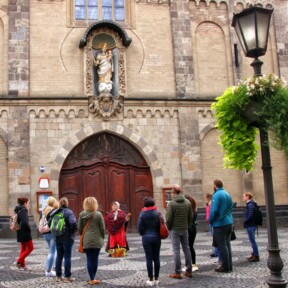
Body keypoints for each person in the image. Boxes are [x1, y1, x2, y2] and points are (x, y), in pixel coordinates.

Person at [166, 184, 193, 279]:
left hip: (175, 229)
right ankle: (189, 271)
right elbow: (190, 217)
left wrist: (169, 227)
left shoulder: (172, 204)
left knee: (176, 250)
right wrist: (187, 225)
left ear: (173, 192)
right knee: (187, 249)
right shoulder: (187, 202)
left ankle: (177, 272)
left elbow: (168, 219)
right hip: (184, 229)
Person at [49, 197, 77, 282]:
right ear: (67, 203)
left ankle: (58, 276)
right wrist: (72, 231)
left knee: (59, 256)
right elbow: (73, 223)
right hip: (67, 237)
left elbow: (49, 223)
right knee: (67, 257)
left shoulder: (55, 212)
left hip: (57, 237)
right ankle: (67, 276)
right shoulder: (69, 212)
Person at [78, 197, 105, 285]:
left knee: (89, 259)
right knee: (95, 258)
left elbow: (80, 228)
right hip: (97, 239)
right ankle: (94, 278)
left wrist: (84, 235)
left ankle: (92, 278)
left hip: (87, 240)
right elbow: (102, 228)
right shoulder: (98, 214)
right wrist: (102, 237)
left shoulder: (82, 214)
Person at [209, 179, 234, 273]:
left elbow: (214, 210)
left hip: (220, 223)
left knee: (222, 245)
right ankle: (229, 265)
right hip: (229, 221)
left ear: (215, 186)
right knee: (227, 244)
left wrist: (210, 219)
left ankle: (225, 266)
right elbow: (230, 206)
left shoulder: (216, 195)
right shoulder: (227, 194)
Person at [137, 197, 161, 286]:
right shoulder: (157, 213)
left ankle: (150, 279)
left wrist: (143, 233)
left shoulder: (142, 213)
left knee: (149, 258)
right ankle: (157, 278)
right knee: (156, 257)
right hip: (156, 237)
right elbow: (161, 224)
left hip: (146, 238)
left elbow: (139, 227)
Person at [13, 197, 34, 270]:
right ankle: (19, 261)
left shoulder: (18, 209)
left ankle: (23, 265)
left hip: (20, 231)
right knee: (31, 248)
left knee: (23, 248)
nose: (28, 204)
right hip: (25, 232)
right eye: (28, 203)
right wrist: (28, 229)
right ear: (25, 203)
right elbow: (25, 222)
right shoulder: (24, 210)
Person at [41, 196, 59, 277]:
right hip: (52, 233)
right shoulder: (54, 211)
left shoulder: (44, 210)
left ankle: (51, 267)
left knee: (52, 251)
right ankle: (49, 271)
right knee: (53, 252)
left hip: (45, 233)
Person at [243, 192, 260, 262]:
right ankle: (254, 254)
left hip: (251, 225)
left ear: (247, 197)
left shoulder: (250, 205)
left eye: (244, 196)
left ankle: (256, 255)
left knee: (252, 241)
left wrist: (245, 221)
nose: (243, 198)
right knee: (252, 240)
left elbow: (250, 215)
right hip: (251, 225)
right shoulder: (250, 204)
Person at [184, 195, 199, 272]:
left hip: (188, 228)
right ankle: (192, 264)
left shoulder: (187, 210)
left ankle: (190, 264)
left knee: (188, 247)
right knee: (190, 246)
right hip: (193, 228)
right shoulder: (194, 210)